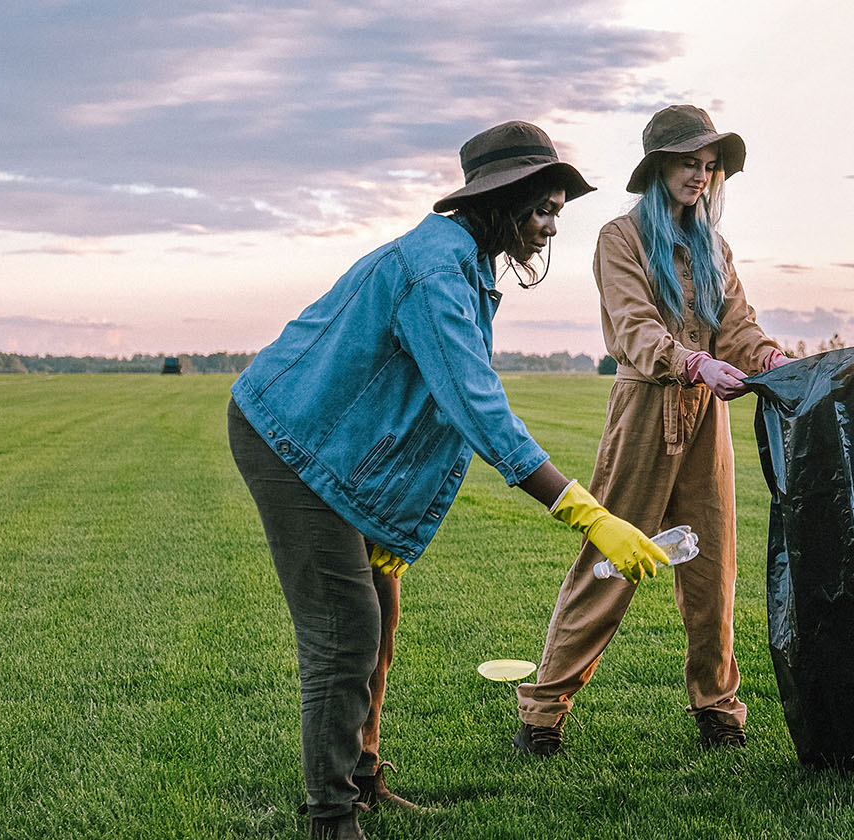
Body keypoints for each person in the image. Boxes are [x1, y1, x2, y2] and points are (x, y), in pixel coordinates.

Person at [228, 121, 669, 840]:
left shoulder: (464, 264)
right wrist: (589, 515)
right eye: (544, 210)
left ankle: (363, 779)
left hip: (334, 445)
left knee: (380, 613)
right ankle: (331, 818)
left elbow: (420, 410)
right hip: (288, 438)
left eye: (558, 211)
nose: (552, 227)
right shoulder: (436, 271)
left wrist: (392, 523)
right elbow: (476, 410)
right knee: (344, 635)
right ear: (500, 201)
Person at [514, 105, 788, 756]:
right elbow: (634, 328)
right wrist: (692, 361)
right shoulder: (619, 239)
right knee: (609, 562)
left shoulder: (713, 247)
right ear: (659, 165)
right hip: (644, 408)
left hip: (706, 420)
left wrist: (769, 358)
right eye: (689, 162)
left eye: (709, 165)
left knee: (713, 570)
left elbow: (738, 325)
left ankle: (718, 709)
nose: (701, 174)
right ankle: (543, 712)